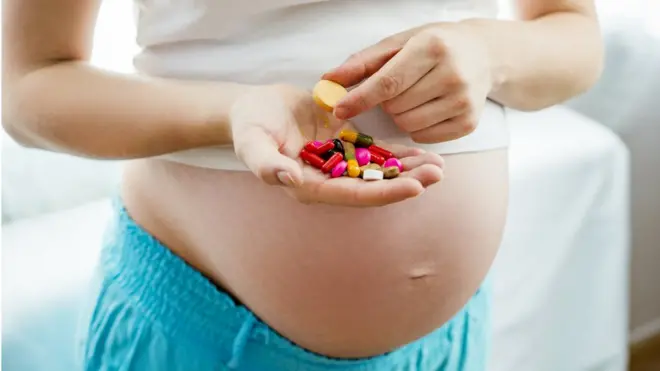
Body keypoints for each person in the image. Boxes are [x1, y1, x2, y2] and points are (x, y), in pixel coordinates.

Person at [2, 0, 602, 369]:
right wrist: (229, 114)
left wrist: (489, 51)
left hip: (446, 341)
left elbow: (574, 35)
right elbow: (28, 85)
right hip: (201, 334)